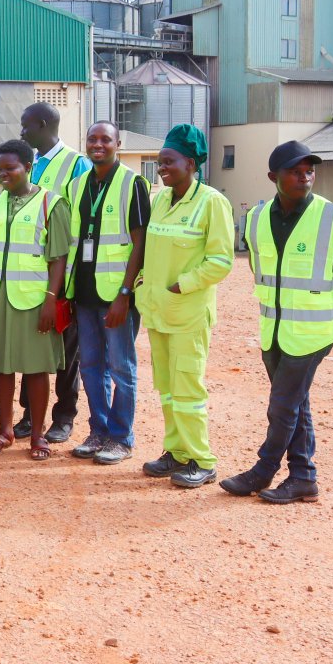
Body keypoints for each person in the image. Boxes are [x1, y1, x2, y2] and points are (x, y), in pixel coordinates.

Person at [220, 140, 333, 503]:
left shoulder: (332, 216)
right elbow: (260, 268)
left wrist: (328, 301)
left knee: (283, 404)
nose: (304, 177)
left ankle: (263, 470)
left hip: (314, 329)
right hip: (273, 328)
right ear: (273, 177)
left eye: (309, 170)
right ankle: (303, 476)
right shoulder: (256, 218)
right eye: (295, 171)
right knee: (295, 402)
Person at [134, 125, 234, 488]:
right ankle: (176, 452)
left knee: (188, 387)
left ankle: (202, 460)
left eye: (168, 161)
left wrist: (183, 285)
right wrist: (145, 283)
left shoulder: (212, 202)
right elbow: (151, 250)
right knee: (167, 387)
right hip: (158, 311)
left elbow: (221, 261)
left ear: (190, 163)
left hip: (188, 313)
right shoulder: (160, 199)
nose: (161, 168)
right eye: (159, 162)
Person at [0, 140, 70, 460]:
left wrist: (51, 301)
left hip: (33, 300)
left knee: (36, 369)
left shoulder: (52, 204)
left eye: (11, 168)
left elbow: (59, 259)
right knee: (0, 366)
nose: (3, 173)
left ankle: (38, 435)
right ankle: (6, 430)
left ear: (29, 167)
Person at [63, 122, 150, 465]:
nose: (97, 145)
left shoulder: (133, 184)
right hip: (83, 292)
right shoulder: (76, 185)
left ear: (118, 144)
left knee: (121, 367)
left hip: (116, 295)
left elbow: (140, 241)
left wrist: (125, 293)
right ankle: (98, 430)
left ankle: (121, 437)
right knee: (90, 365)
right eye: (92, 139)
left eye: (105, 140)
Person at [12, 102, 91, 442]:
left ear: (42, 124)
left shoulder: (76, 164)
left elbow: (82, 221)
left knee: (64, 351)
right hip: (29, 275)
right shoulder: (26, 165)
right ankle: (31, 415)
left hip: (62, 274)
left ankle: (63, 416)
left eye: (25, 125)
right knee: (32, 349)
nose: (21, 132)